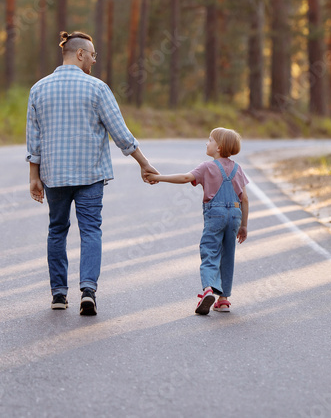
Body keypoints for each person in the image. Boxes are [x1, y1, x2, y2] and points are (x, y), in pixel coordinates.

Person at [27, 30, 158, 316]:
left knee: (57, 231)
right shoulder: (97, 88)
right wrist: (143, 162)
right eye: (93, 55)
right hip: (90, 175)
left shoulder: (38, 88)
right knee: (90, 231)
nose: (94, 61)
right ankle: (88, 290)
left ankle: (59, 295)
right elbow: (120, 133)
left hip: (54, 175)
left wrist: (33, 176)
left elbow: (33, 139)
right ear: (80, 53)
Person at [148, 127, 250, 315]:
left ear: (218, 147)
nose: (206, 143)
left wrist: (158, 177)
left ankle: (208, 289)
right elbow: (244, 199)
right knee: (228, 255)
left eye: (209, 140)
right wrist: (244, 225)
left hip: (216, 215)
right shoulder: (238, 168)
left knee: (210, 252)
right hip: (235, 215)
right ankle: (224, 299)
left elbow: (186, 177)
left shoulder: (207, 167)